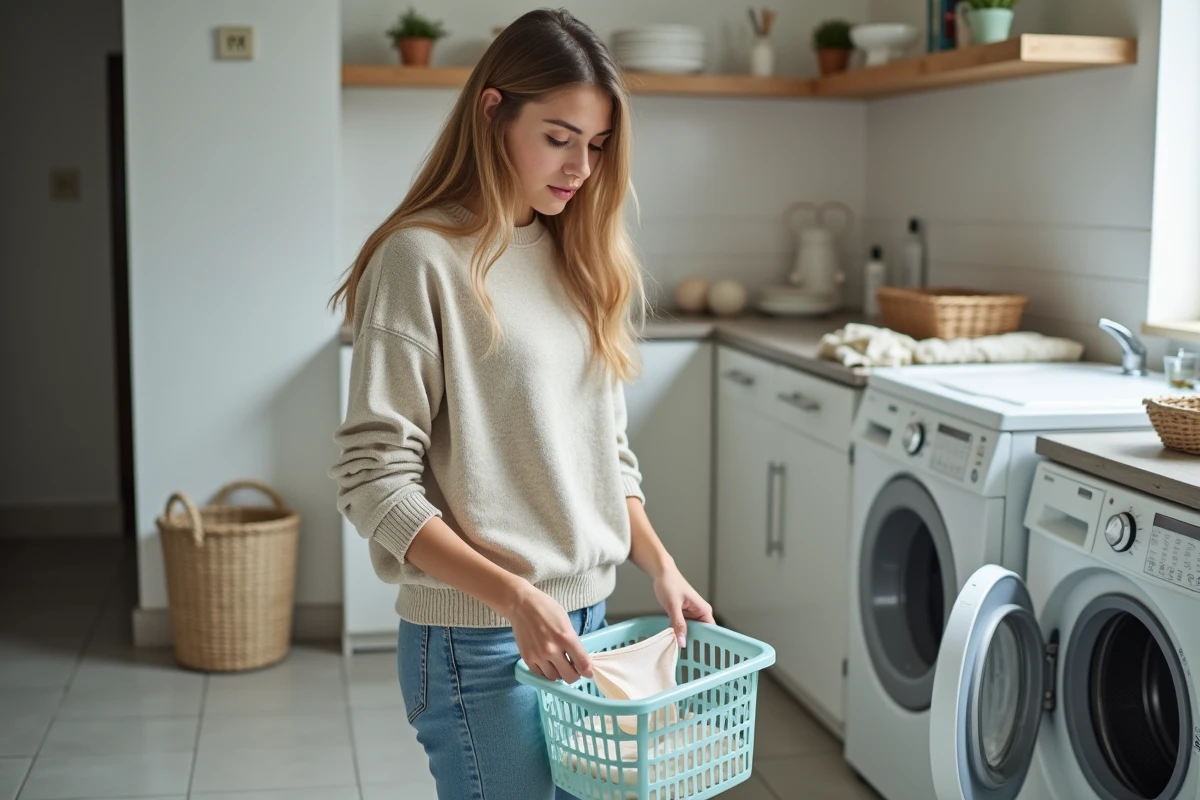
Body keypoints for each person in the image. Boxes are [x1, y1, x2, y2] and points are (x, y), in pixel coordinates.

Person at [328, 8, 714, 799]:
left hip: (591, 622)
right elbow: (374, 481)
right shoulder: (421, 259)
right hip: (478, 640)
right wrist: (516, 598)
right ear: (493, 110)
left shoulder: (577, 256)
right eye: (559, 136)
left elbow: (604, 456)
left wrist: (663, 567)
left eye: (597, 146)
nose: (579, 166)